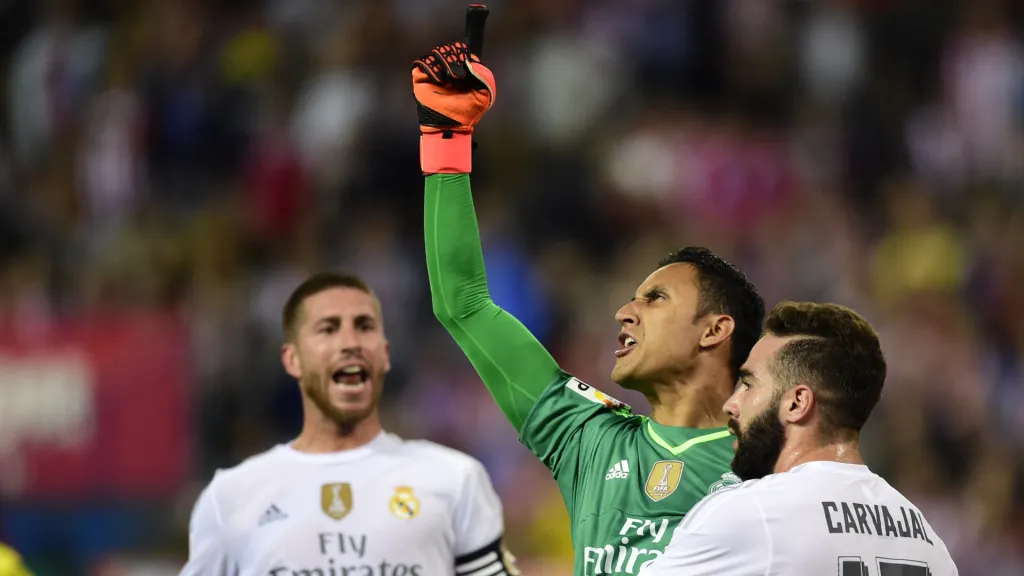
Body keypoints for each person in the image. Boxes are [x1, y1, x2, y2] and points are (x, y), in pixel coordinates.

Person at [412, 17, 765, 575]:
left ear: (714, 329)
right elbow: (463, 303)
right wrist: (446, 141)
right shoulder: (590, 439)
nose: (625, 312)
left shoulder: (769, 467)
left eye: (655, 299)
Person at [180, 272, 518, 576]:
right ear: (292, 359)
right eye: (328, 329)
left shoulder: (455, 479)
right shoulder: (231, 497)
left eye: (364, 326)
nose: (350, 343)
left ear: (385, 354)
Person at [641, 302, 959, 575]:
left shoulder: (751, 512)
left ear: (796, 403)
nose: (731, 404)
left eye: (748, 385)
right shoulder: (929, 541)